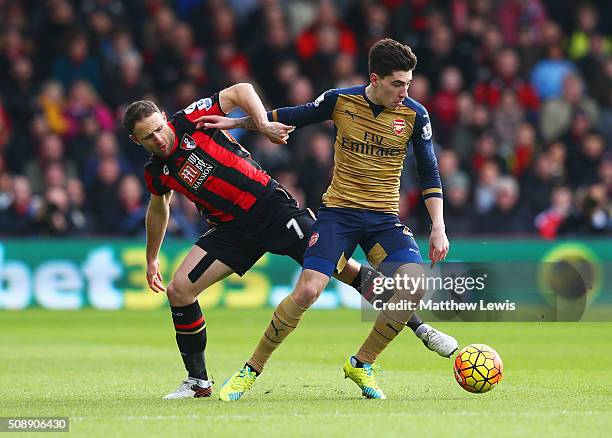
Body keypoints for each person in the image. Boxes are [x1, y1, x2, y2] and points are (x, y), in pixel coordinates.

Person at [123, 81, 456, 400]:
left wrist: (263, 124)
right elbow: (158, 208)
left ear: (165, 118)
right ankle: (198, 382)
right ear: (136, 141)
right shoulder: (157, 171)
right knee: (178, 291)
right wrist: (152, 257)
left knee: (346, 271)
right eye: (147, 137)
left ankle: (418, 327)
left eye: (158, 129)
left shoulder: (190, 120)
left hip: (272, 210)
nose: (158, 138)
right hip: (230, 231)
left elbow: (241, 90)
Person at [198, 39, 451, 401]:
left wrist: (438, 227)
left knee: (413, 285)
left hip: (383, 220)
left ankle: (362, 363)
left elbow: (429, 172)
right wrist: (237, 121)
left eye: (408, 83)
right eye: (398, 84)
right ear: (375, 78)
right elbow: (292, 115)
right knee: (307, 290)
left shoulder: (414, 114)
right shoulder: (340, 101)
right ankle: (250, 370)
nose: (405, 92)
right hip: (339, 215)